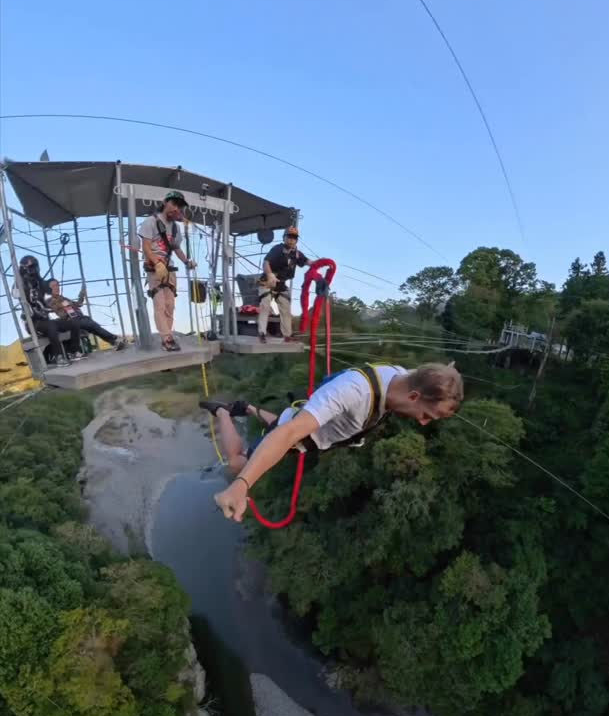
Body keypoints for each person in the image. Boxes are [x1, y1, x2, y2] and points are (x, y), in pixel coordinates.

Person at [204, 361, 464, 522]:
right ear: (415, 396)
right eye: (427, 416)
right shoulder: (353, 391)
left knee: (286, 422)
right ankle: (223, 412)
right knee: (238, 462)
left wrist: (449, 372)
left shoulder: (403, 377)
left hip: (306, 427)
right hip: (297, 436)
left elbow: (429, 374)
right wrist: (241, 484)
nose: (423, 423)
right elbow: (288, 434)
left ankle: (247, 407)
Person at [138, 191, 196, 352]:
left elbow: (176, 248)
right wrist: (157, 263)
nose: (176, 209)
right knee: (160, 304)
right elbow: (146, 247)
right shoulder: (151, 222)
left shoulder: (175, 228)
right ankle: (166, 338)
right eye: (174, 204)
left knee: (170, 305)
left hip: (170, 268)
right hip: (155, 268)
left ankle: (168, 335)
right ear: (165, 203)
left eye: (180, 207)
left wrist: (186, 261)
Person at [17, 255, 81, 365]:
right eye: (32, 267)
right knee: (51, 326)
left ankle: (73, 351)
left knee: (74, 323)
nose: (35, 270)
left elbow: (49, 289)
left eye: (36, 266)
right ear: (25, 269)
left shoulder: (39, 281)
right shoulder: (20, 283)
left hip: (45, 320)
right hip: (33, 323)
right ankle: (59, 357)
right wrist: (21, 278)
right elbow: (15, 293)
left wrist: (54, 284)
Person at [258, 226, 309, 344]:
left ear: (296, 240)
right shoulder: (277, 249)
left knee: (286, 308)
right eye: (289, 237)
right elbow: (266, 263)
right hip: (268, 281)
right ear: (284, 238)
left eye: (294, 238)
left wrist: (320, 263)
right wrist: (270, 275)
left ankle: (287, 335)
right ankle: (262, 333)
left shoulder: (296, 254)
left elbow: (307, 261)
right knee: (265, 305)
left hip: (281, 284)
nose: (291, 240)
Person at [45, 280, 126, 351]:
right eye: (53, 286)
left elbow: (78, 304)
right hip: (69, 321)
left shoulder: (64, 299)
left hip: (78, 318)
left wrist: (82, 293)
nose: (56, 287)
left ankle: (114, 342)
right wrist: (59, 302)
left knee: (93, 326)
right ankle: (114, 339)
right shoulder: (50, 301)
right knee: (91, 324)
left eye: (57, 285)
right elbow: (52, 308)